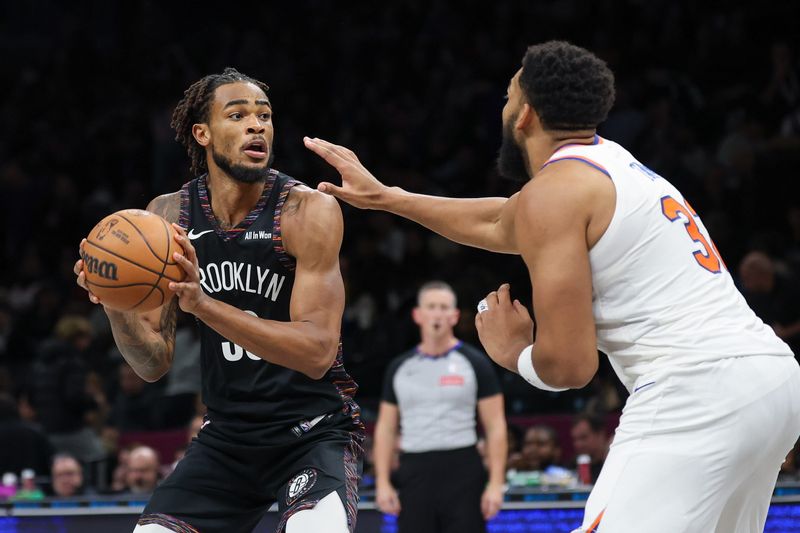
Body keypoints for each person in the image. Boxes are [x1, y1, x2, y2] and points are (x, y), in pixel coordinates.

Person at [304, 41, 800, 533]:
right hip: (772, 379)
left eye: (507, 98)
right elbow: (502, 218)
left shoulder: (556, 193)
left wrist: (515, 351)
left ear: (525, 116)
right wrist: (390, 198)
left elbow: (571, 365)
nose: (504, 109)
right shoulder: (610, 163)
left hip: (696, 388)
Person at [75, 68, 363, 533]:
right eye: (239, 114)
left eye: (265, 116)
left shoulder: (306, 211)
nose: (257, 125)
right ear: (202, 133)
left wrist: (203, 305)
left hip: (312, 430)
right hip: (228, 437)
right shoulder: (168, 217)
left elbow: (316, 353)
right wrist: (113, 299)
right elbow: (153, 364)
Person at [373, 281, 507, 533]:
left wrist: (496, 484)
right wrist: (382, 482)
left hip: (463, 467)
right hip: (414, 469)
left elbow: (495, 425)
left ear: (455, 316)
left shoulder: (475, 363)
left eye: (444, 307)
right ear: (417, 315)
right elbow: (386, 428)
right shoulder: (399, 368)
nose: (437, 313)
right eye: (431, 307)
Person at [569, 414, 608, 483]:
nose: (578, 444)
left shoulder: (611, 464)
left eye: (583, 437)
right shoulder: (572, 467)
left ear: (600, 435)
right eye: (575, 439)